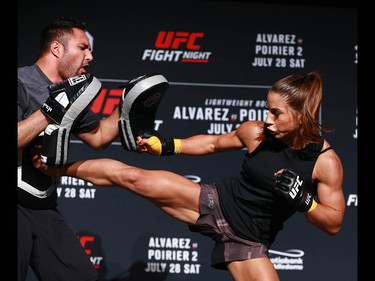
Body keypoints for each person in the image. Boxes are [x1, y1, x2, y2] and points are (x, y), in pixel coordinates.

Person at [33, 71, 345, 281]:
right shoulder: (257, 132)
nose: (267, 119)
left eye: (276, 113)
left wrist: (307, 202)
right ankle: (55, 167)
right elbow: (212, 143)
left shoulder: (325, 162)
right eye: (267, 109)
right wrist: (166, 146)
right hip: (213, 202)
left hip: (249, 241)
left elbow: (333, 223)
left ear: (302, 114)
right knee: (132, 177)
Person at [18, 17, 121, 281]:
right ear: (57, 49)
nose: (90, 55)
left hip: (43, 206)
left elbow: (98, 137)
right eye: (83, 48)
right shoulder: (20, 82)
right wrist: (51, 109)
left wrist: (128, 108)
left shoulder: (70, 92)